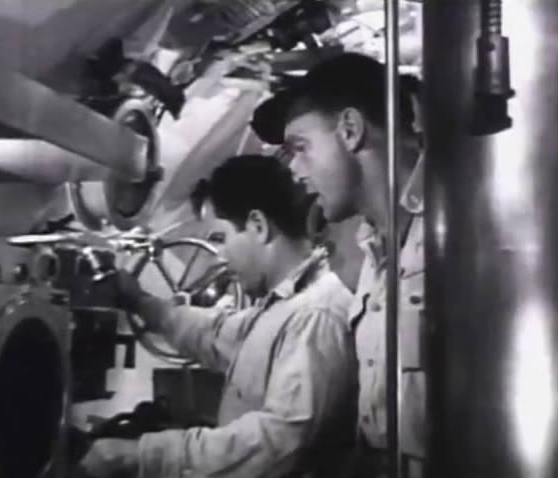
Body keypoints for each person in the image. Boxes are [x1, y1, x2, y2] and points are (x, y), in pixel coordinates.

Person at [76, 154, 357, 478]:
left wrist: (139, 455)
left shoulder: (315, 315)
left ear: (258, 226)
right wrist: (138, 300)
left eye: (222, 239)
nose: (220, 258)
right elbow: (216, 334)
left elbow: (279, 442)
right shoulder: (283, 306)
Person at [251, 53, 425, 478]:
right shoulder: (374, 258)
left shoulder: (462, 233)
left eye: (300, 148)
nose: (294, 171)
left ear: (350, 129)